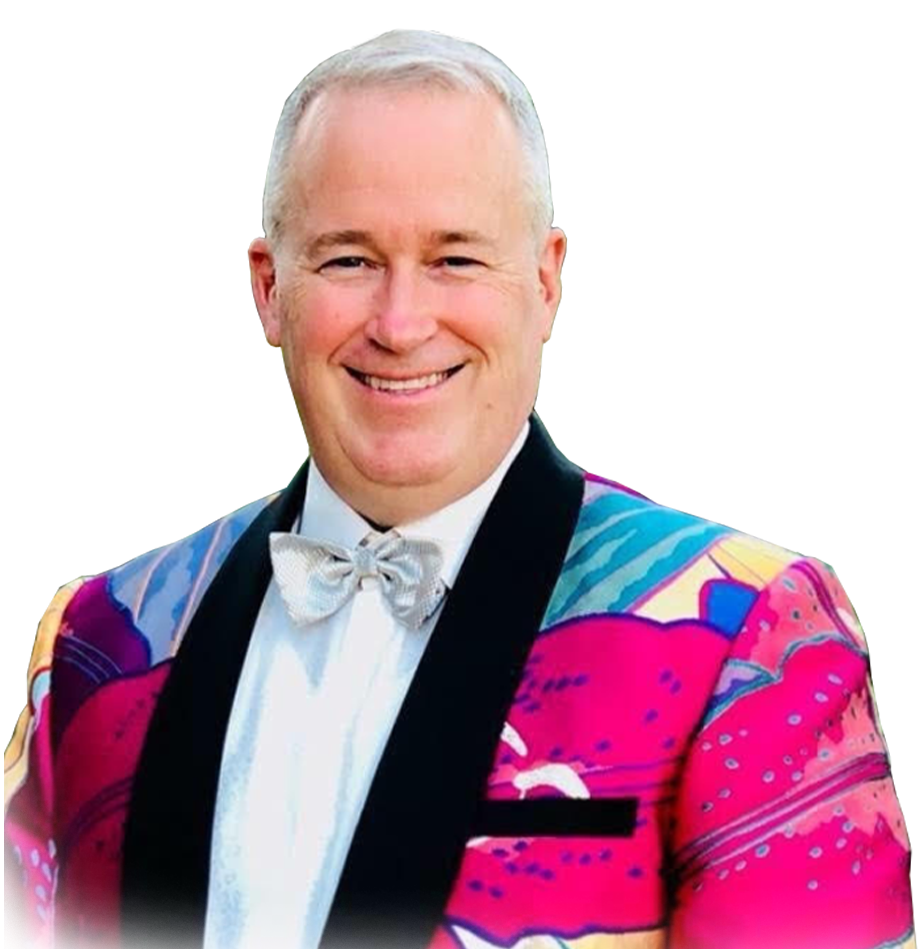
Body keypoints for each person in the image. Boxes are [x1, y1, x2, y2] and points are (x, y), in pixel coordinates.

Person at [4, 28, 914, 951]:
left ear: (546, 282)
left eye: (456, 259)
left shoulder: (751, 634)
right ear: (270, 291)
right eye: (349, 259)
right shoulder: (100, 640)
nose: (401, 323)